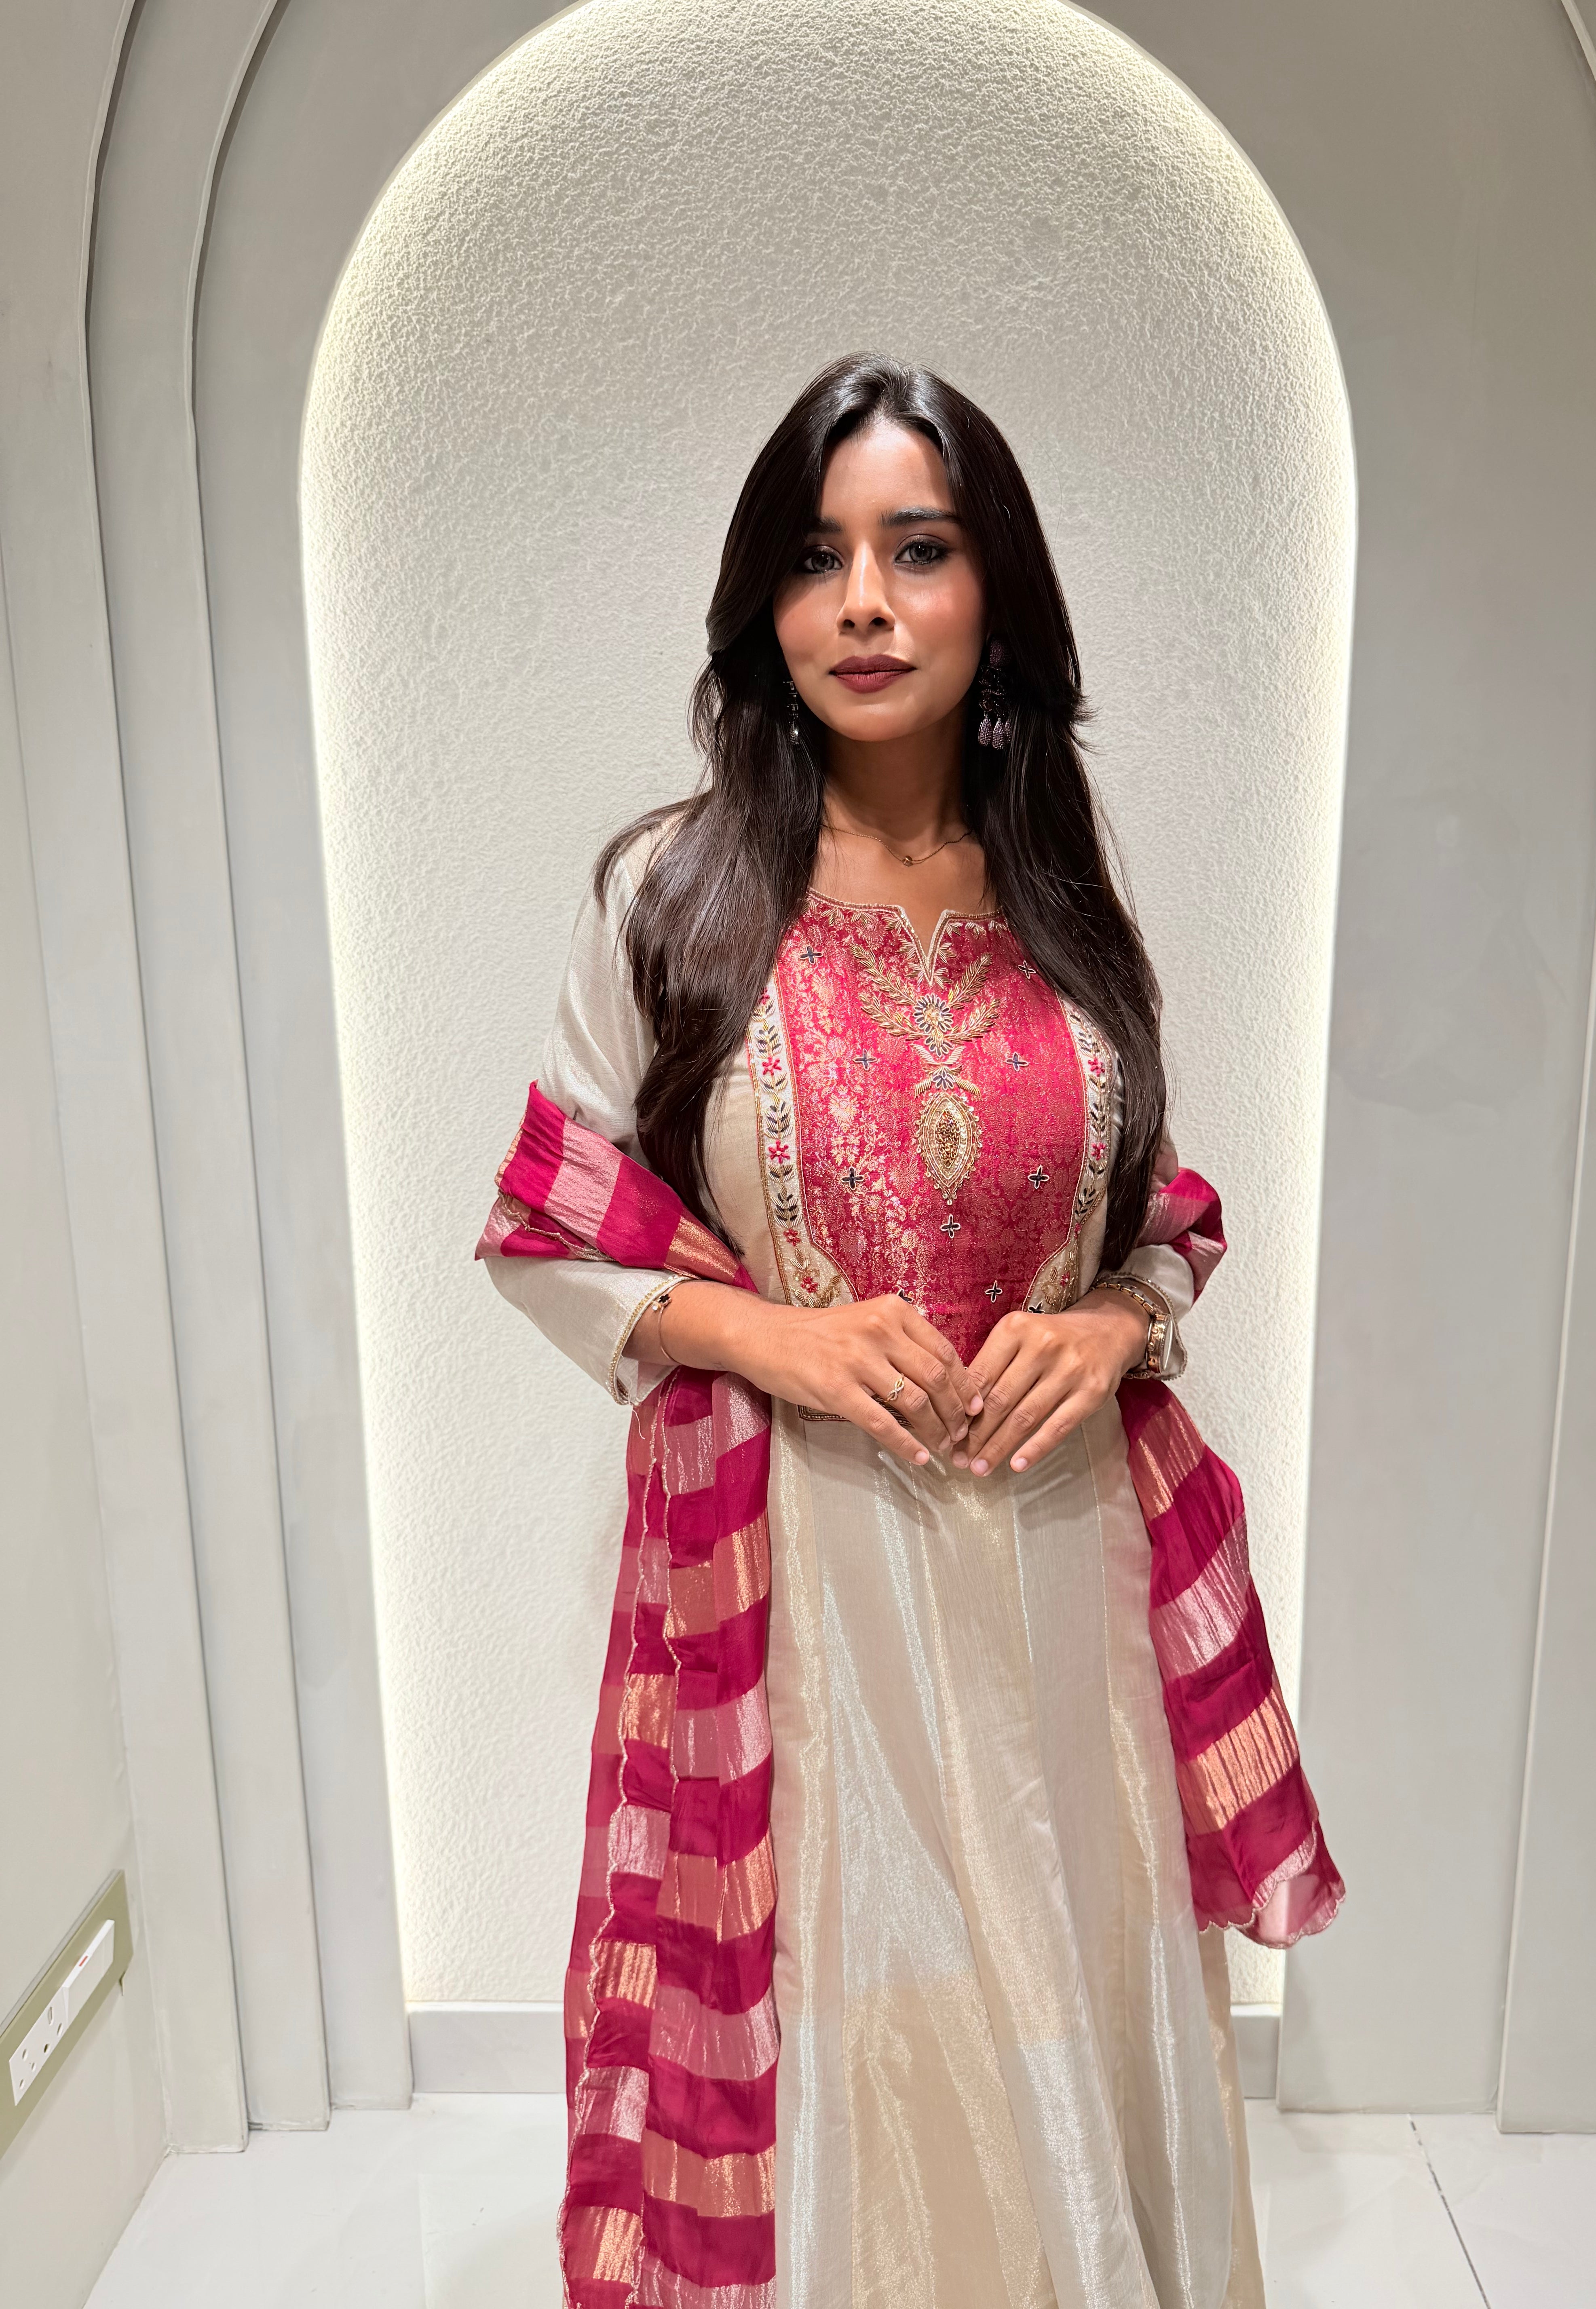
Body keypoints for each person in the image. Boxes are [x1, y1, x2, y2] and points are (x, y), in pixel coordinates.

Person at [479, 353, 1340, 2309]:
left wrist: (1115, 1327)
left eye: (918, 550)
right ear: (763, 607)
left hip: (1065, 1569)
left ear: (995, 592)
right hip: (810, 1582)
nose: (864, 603)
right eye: (816, 557)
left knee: (1070, 1999)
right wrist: (764, 1339)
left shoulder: (1060, 892)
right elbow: (548, 1221)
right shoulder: (674, 895)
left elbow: (1159, 1212)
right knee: (867, 2030)